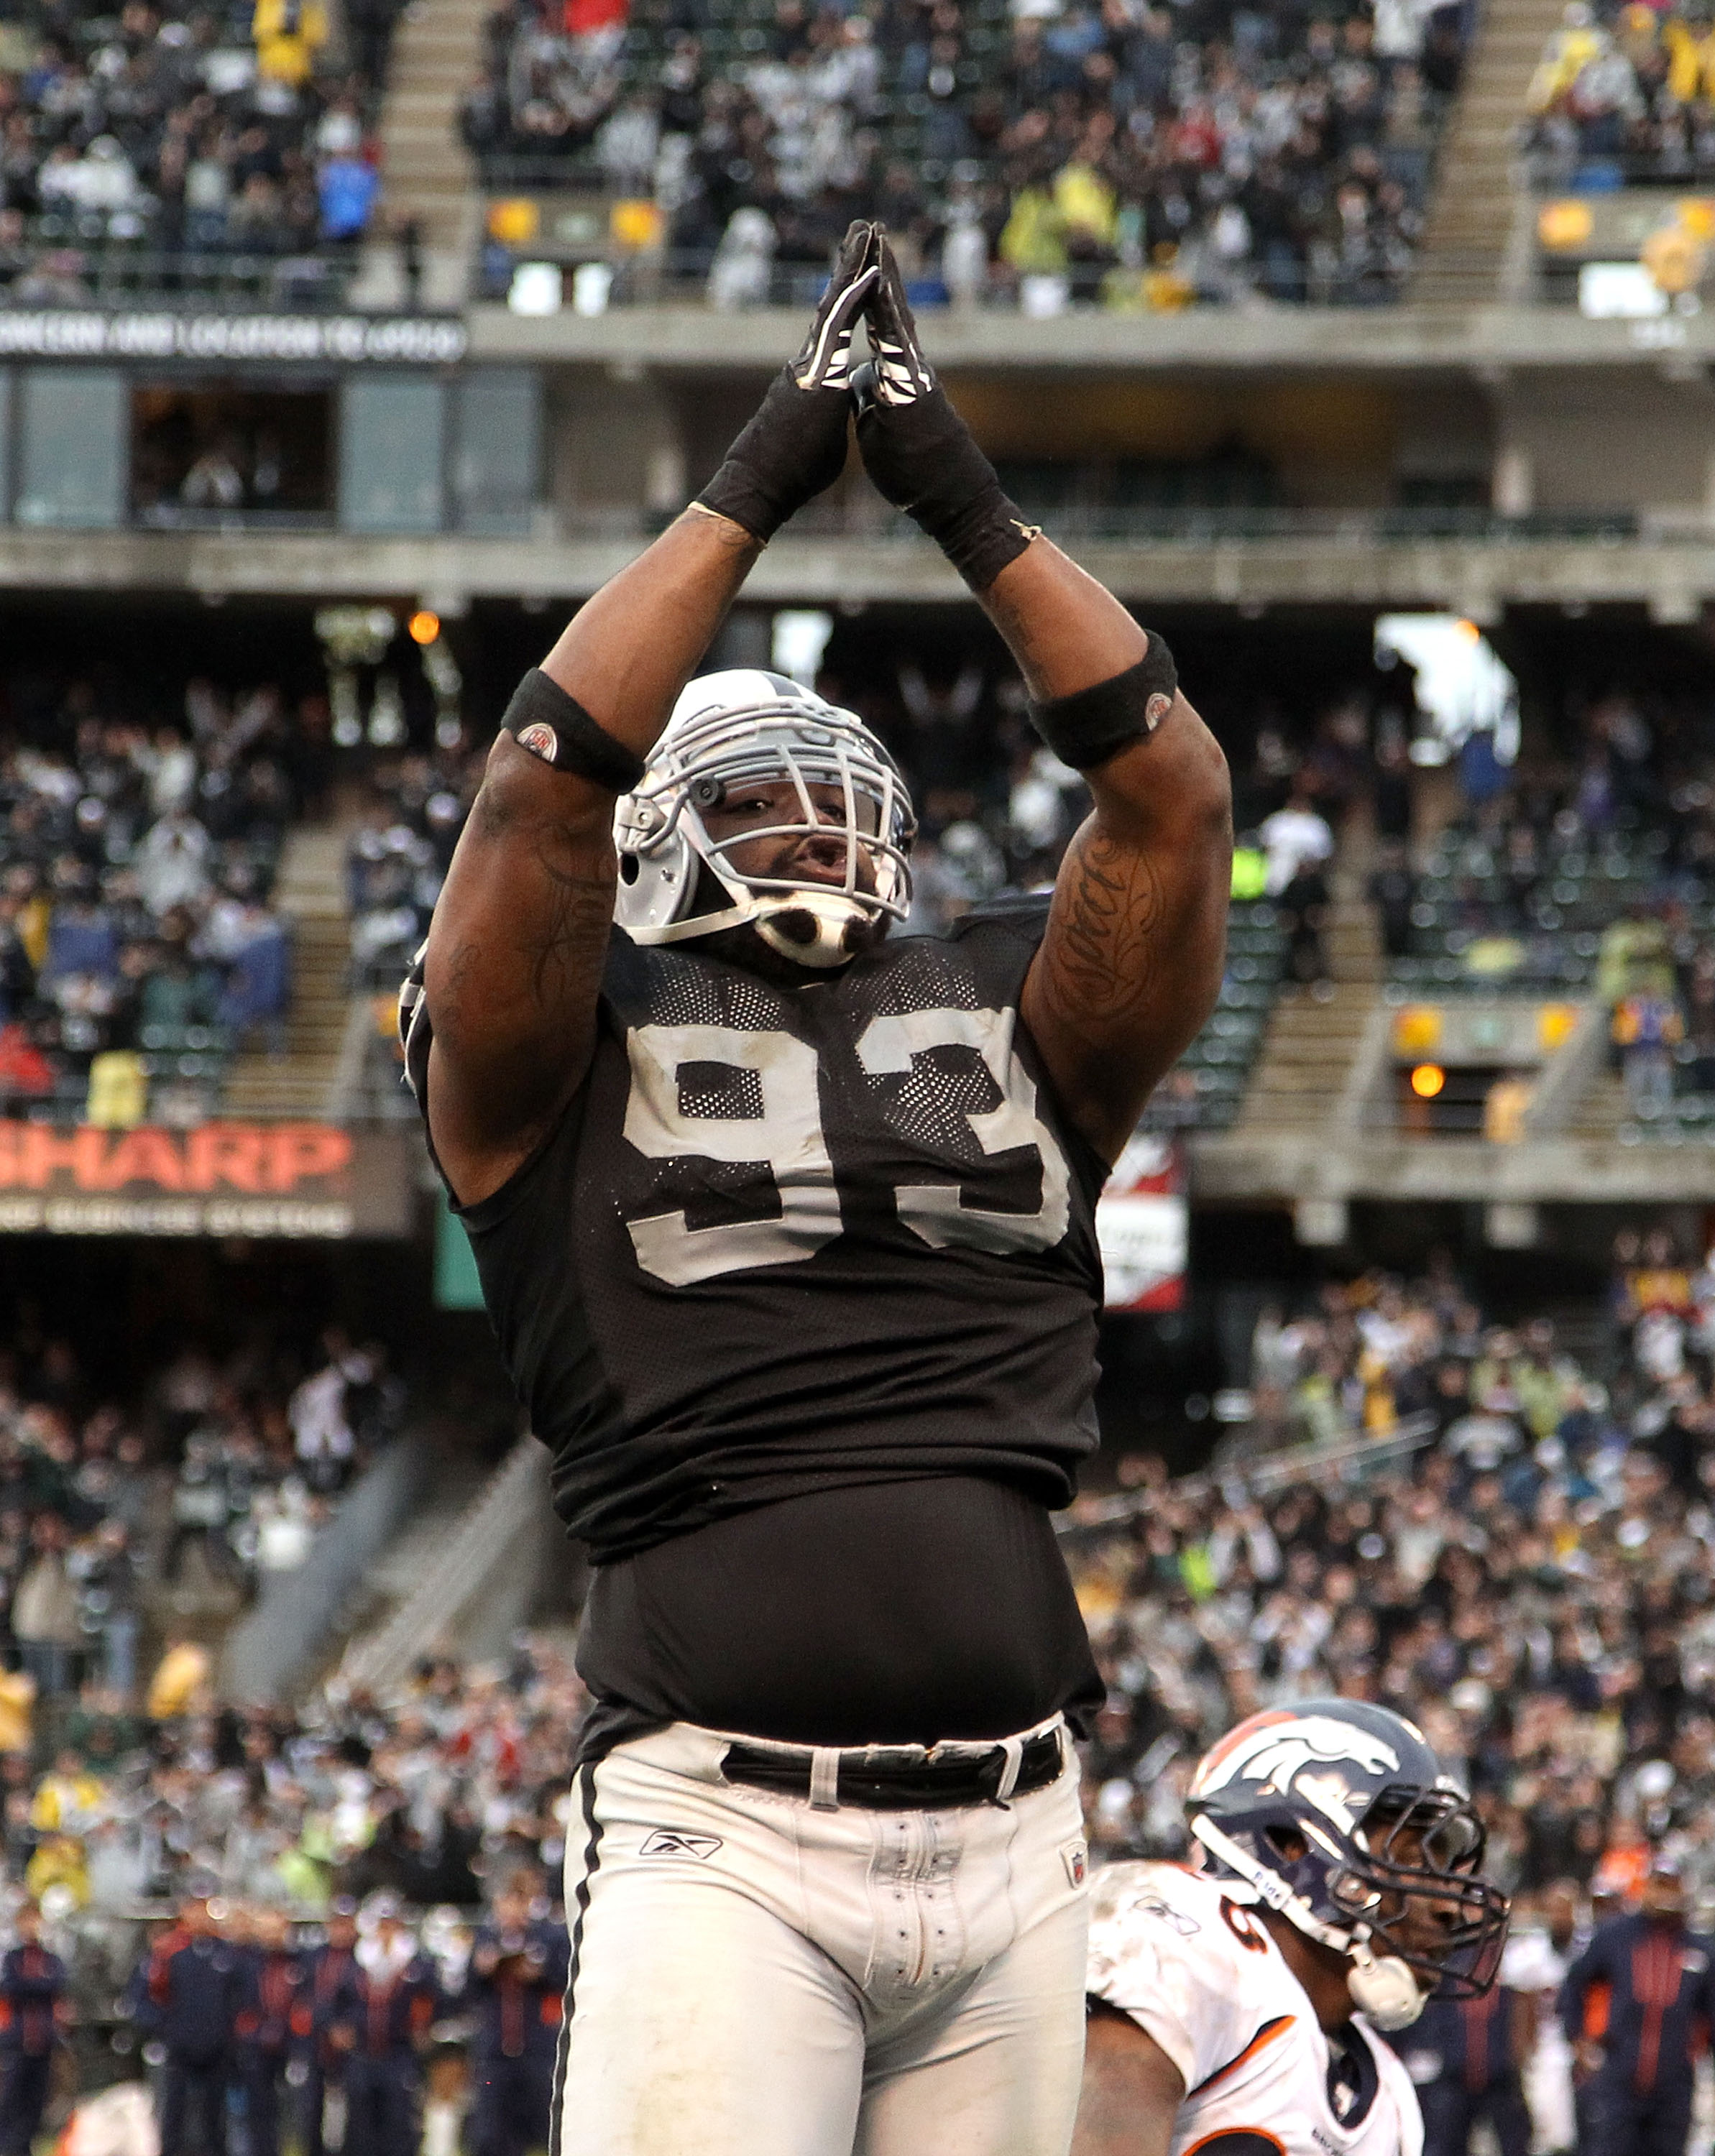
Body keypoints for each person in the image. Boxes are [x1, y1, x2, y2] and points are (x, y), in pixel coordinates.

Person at [402, 220, 1232, 2156]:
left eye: (825, 785)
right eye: (754, 797)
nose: (809, 819)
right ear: (663, 840)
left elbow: (1173, 793)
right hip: (728, 1833)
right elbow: (538, 775)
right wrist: (760, 481)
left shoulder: (1006, 1014)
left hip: (1025, 1827)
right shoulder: (551, 1042)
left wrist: (957, 491)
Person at [1075, 1700, 1509, 2156]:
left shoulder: (1387, 2102)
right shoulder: (1189, 1938)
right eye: (1414, 1860)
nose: (1449, 1907)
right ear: (1293, 1845)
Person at [1559, 1850, 1715, 2156]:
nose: (1665, 1894)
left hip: (1674, 2079)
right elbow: (1573, 1984)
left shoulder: (1702, 1951)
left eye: (1671, 1886)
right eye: (1659, 1884)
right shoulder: (1616, 1936)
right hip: (1619, 2073)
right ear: (1646, 1887)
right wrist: (1577, 2037)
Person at [124, 1892, 242, 2156]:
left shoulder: (226, 1953)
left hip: (217, 2048)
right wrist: (165, 2029)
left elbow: (241, 1998)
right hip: (179, 2049)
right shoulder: (169, 1950)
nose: (200, 1915)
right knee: (173, 2114)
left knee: (215, 2118)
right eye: (194, 1908)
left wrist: (229, 2034)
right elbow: (142, 1997)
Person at [465, 1871, 571, 2156]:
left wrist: (539, 1973)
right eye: (506, 1902)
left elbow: (565, 1978)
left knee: (540, 2125)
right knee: (492, 2128)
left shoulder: (548, 1937)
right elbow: (466, 1990)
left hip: (536, 2047)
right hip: (495, 2051)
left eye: (518, 1902)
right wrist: (481, 1969)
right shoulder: (486, 1937)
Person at [334, 1893, 438, 2156]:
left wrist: (421, 2025)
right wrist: (341, 2026)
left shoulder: (416, 1961)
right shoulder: (357, 1960)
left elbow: (432, 1997)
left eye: (392, 1924)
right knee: (361, 2126)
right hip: (362, 2052)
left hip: (399, 2052)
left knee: (399, 2123)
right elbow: (338, 2001)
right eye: (382, 1924)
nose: (387, 1931)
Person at [1395, 1977, 1535, 2156]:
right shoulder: (1448, 1988)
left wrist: (1518, 2056)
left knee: (1515, 2143)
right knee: (1446, 2143)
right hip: (1455, 2077)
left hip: (1499, 2078)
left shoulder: (1506, 1987)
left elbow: (1523, 2017)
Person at [235, 1904, 308, 2156]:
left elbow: (305, 2003)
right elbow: (239, 2003)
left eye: (277, 1930)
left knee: (298, 2111)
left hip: (291, 2045)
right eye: (266, 1930)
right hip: (256, 2046)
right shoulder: (248, 1963)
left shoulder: (299, 1962)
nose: (271, 1936)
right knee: (257, 2111)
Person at [0, 1902, 68, 2156]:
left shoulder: (50, 1958)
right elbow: (11, 1986)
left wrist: (33, 1987)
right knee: (10, 2100)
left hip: (43, 2041)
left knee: (36, 2102)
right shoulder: (13, 1957)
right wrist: (36, 1986)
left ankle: (26, 2147)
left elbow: (57, 1983)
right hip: (17, 2041)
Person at [296, 1898, 359, 2156]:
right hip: (316, 2041)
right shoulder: (314, 1956)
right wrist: (327, 2024)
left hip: (353, 2042)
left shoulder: (361, 1956)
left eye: (346, 1923)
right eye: (337, 1923)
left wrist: (348, 2026)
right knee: (312, 2109)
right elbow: (307, 1996)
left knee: (351, 2110)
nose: (341, 1930)